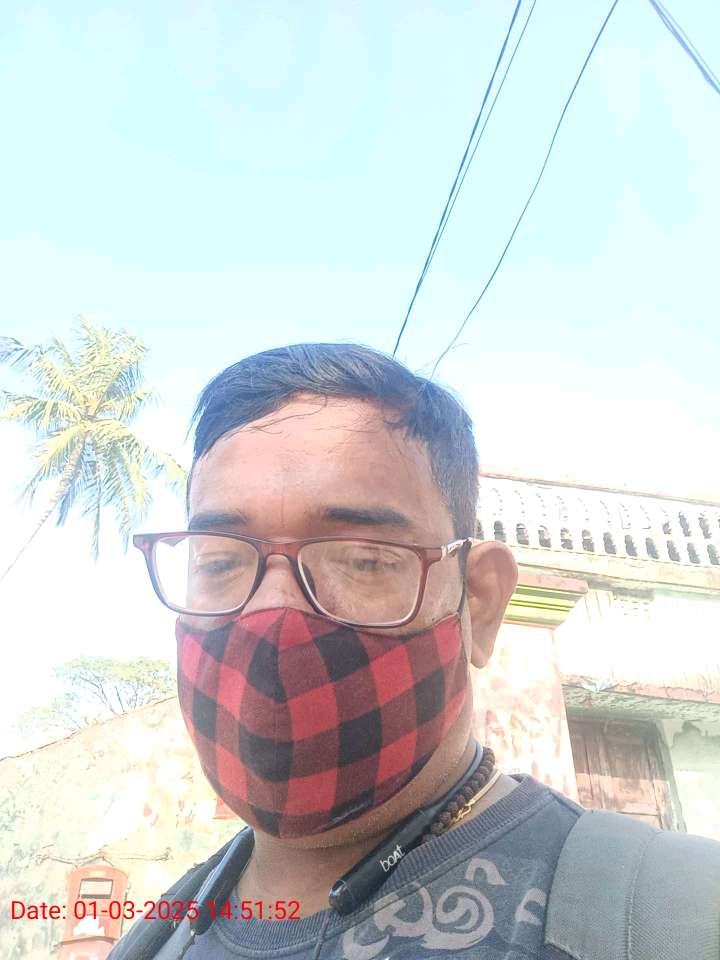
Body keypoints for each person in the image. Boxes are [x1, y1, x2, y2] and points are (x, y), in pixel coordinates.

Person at [113, 342, 718, 960]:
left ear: (478, 603)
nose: (272, 613)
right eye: (220, 561)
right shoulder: (155, 937)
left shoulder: (682, 916)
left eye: (364, 559)